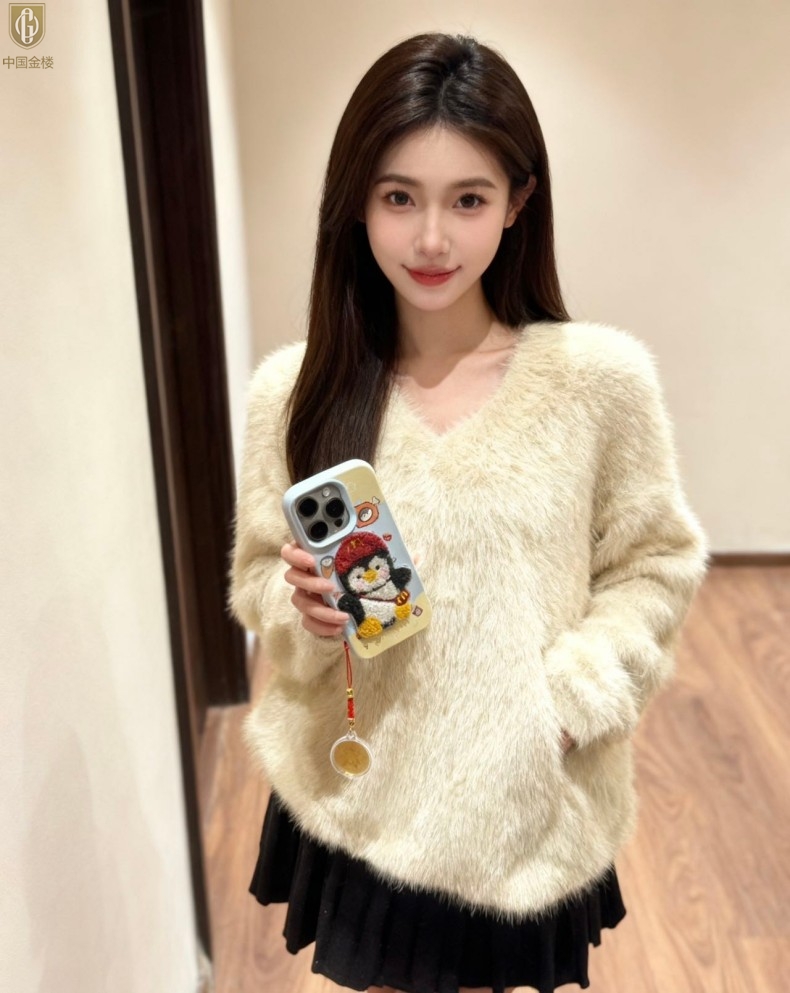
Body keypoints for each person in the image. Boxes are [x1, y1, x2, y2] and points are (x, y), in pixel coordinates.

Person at [229, 31, 709, 993]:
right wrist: (303, 611)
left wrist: (563, 708)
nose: (432, 240)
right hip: (362, 794)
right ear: (356, 202)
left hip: (525, 798)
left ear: (518, 203)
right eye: (399, 197)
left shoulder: (598, 383)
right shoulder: (295, 391)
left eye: (469, 200)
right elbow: (258, 581)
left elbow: (654, 566)